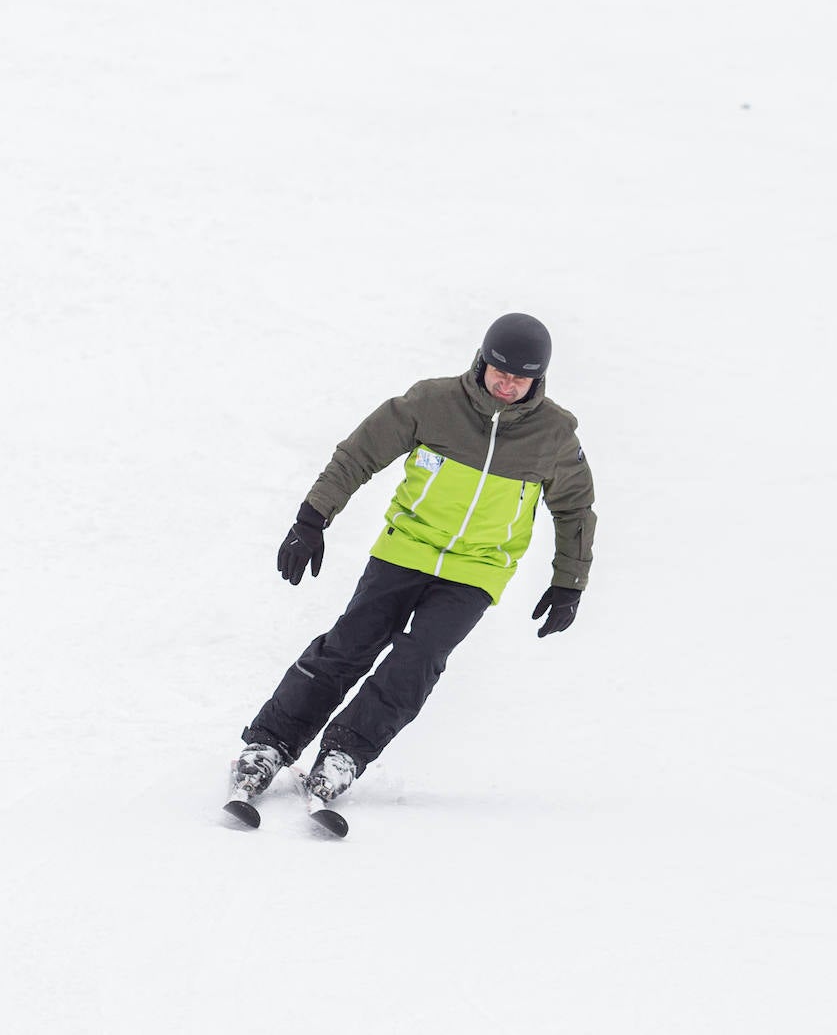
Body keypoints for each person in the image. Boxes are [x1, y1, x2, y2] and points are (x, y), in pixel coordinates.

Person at [232, 313, 597, 809]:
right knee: (349, 645)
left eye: (521, 377)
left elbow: (575, 507)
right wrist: (312, 519)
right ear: (482, 361)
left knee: (418, 660)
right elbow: (359, 454)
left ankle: (343, 754)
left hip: (478, 568)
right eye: (500, 372)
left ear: (539, 378)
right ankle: (269, 744)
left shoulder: (553, 435)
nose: (507, 384)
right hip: (406, 548)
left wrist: (569, 582)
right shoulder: (433, 403)